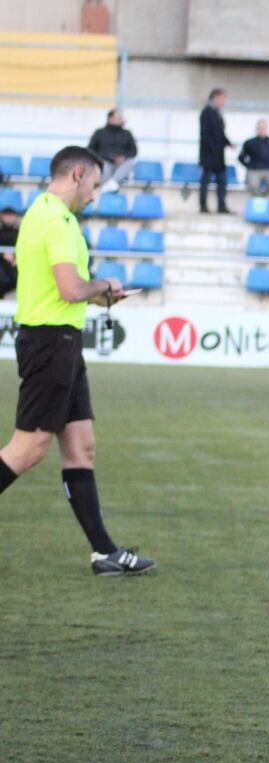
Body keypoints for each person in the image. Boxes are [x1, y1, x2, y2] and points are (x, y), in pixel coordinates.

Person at [0, 147, 153, 576]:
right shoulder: (59, 221)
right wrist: (105, 285)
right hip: (50, 343)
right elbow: (70, 289)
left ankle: (104, 552)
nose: (94, 196)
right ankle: (104, 550)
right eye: (95, 186)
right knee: (28, 449)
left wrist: (99, 294)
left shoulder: (41, 213)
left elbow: (63, 288)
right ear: (79, 174)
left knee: (81, 447)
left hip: (59, 342)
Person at [198, 88, 232, 214]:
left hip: (218, 155)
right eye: (222, 98)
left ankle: (221, 206)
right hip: (208, 154)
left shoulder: (218, 113)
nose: (224, 101)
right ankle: (203, 206)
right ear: (215, 98)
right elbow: (206, 135)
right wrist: (214, 147)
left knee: (222, 181)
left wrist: (228, 143)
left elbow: (221, 134)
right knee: (205, 181)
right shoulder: (206, 113)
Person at [86, 109, 137, 191]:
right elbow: (90, 150)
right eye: (118, 118)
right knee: (103, 166)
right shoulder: (99, 133)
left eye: (120, 118)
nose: (121, 120)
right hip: (105, 162)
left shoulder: (127, 133)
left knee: (131, 162)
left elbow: (133, 151)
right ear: (110, 119)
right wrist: (110, 158)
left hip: (121, 165)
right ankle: (111, 185)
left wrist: (123, 157)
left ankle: (111, 184)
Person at [237, 119, 269, 196]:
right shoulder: (249, 143)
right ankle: (258, 197)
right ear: (257, 129)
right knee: (252, 185)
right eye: (260, 128)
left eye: (264, 128)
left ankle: (264, 196)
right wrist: (248, 166)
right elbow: (240, 157)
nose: (262, 130)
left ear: (267, 129)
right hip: (254, 169)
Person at [0, 204, 19, 298]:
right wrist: (3, 255)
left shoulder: (20, 233)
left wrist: (16, 259)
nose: (8, 218)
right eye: (6, 215)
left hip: (16, 263)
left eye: (10, 215)